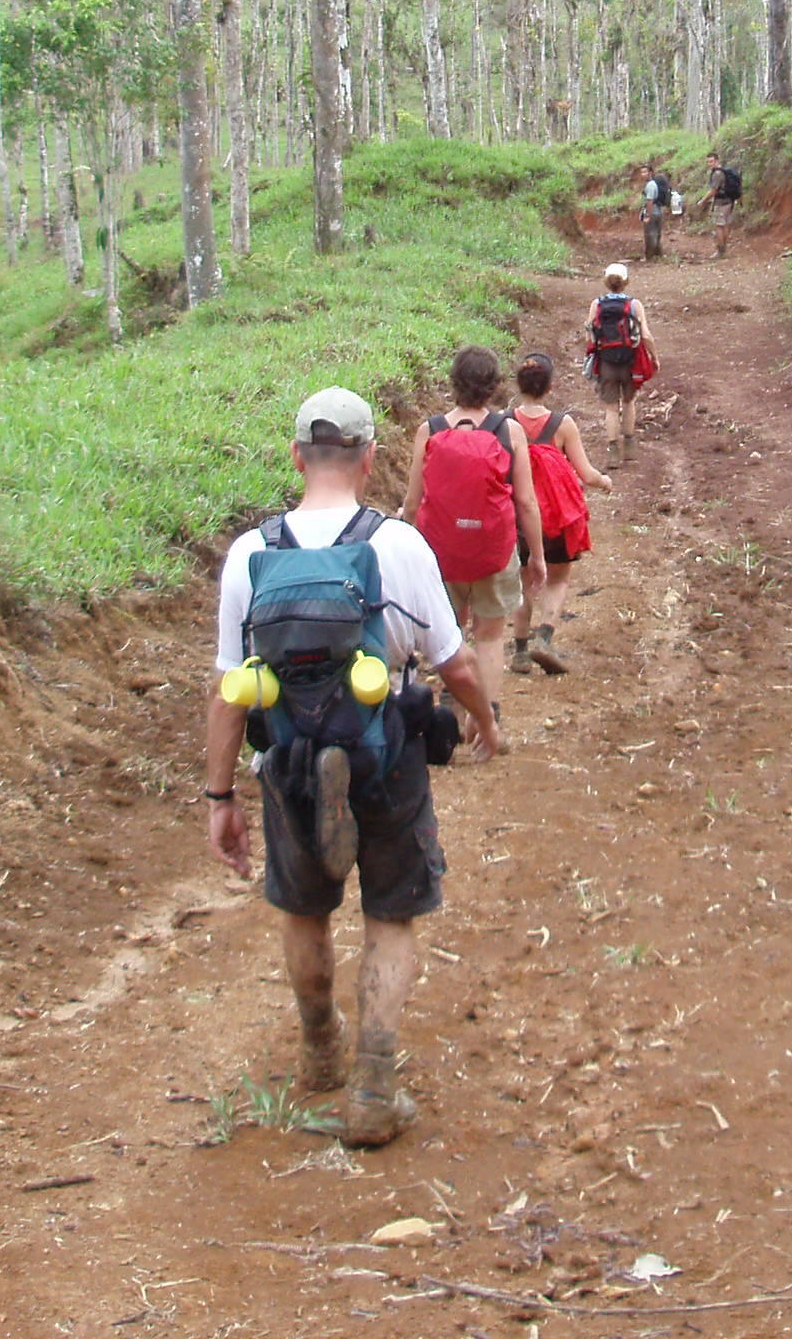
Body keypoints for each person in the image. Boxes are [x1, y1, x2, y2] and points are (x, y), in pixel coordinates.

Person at [206, 387, 503, 1147]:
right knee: (391, 911)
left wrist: (219, 796)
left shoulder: (252, 553)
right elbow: (455, 660)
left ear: (297, 457)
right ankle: (373, 1080)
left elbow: (230, 690)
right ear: (371, 458)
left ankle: (317, 1051)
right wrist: (482, 718)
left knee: (303, 908)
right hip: (386, 751)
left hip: (287, 757)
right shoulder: (397, 546)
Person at [399, 345, 545, 705]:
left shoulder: (429, 430)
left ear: (453, 383)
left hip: (442, 552)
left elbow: (413, 503)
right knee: (491, 636)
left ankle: (453, 704)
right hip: (492, 551)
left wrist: (410, 553)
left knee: (450, 632)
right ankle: (488, 715)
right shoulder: (509, 431)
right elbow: (525, 501)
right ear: (494, 385)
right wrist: (537, 556)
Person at [504, 351, 612, 675]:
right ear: (550, 387)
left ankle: (520, 651)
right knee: (558, 577)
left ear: (518, 385)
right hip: (558, 517)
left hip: (517, 516)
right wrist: (604, 481)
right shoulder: (562, 424)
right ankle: (545, 636)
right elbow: (586, 473)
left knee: (524, 582)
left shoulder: (504, 422)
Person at [581, 262, 655, 456]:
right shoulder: (634, 305)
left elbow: (589, 335)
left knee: (611, 408)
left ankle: (613, 450)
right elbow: (645, 336)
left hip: (606, 362)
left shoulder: (596, 305)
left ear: (606, 282)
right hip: (631, 361)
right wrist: (654, 357)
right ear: (626, 282)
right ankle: (629, 446)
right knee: (629, 402)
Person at [706, 150, 745, 257]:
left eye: (711, 161)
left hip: (721, 203)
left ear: (717, 161)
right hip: (730, 201)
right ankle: (724, 249)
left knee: (719, 226)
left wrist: (702, 201)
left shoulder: (717, 174)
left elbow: (713, 191)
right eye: (708, 162)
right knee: (725, 225)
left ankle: (720, 251)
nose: (710, 164)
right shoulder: (726, 171)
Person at [639, 163, 672, 257]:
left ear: (650, 173)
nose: (643, 174)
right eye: (641, 172)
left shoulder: (650, 185)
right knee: (657, 233)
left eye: (645, 172)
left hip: (652, 211)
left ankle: (650, 256)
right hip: (658, 210)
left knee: (649, 234)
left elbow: (649, 201)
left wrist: (648, 216)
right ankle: (658, 254)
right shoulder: (654, 184)